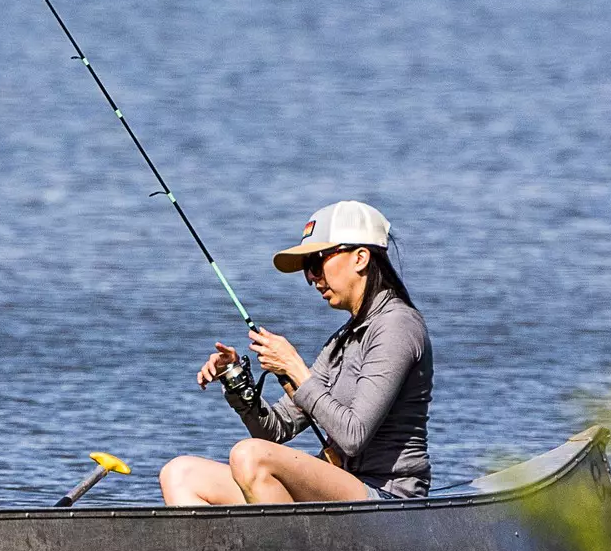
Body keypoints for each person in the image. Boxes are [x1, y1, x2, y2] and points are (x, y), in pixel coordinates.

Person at [159, 200, 432, 505]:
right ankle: (244, 539)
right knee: (180, 473)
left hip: (387, 499)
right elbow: (275, 431)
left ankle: (283, 538)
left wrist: (294, 368)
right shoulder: (342, 339)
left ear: (360, 258)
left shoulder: (397, 325)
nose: (311, 278)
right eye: (306, 270)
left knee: (249, 456)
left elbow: (353, 436)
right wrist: (235, 379)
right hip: (340, 489)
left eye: (316, 262)